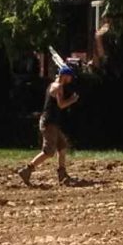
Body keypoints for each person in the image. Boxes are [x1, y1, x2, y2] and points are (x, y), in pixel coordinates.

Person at [19, 56, 81, 187]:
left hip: (51, 122)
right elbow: (61, 105)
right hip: (49, 123)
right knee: (48, 152)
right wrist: (73, 100)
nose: (71, 79)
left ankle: (62, 174)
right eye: (70, 76)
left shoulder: (52, 85)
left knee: (62, 146)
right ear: (65, 76)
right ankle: (27, 169)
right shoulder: (59, 87)